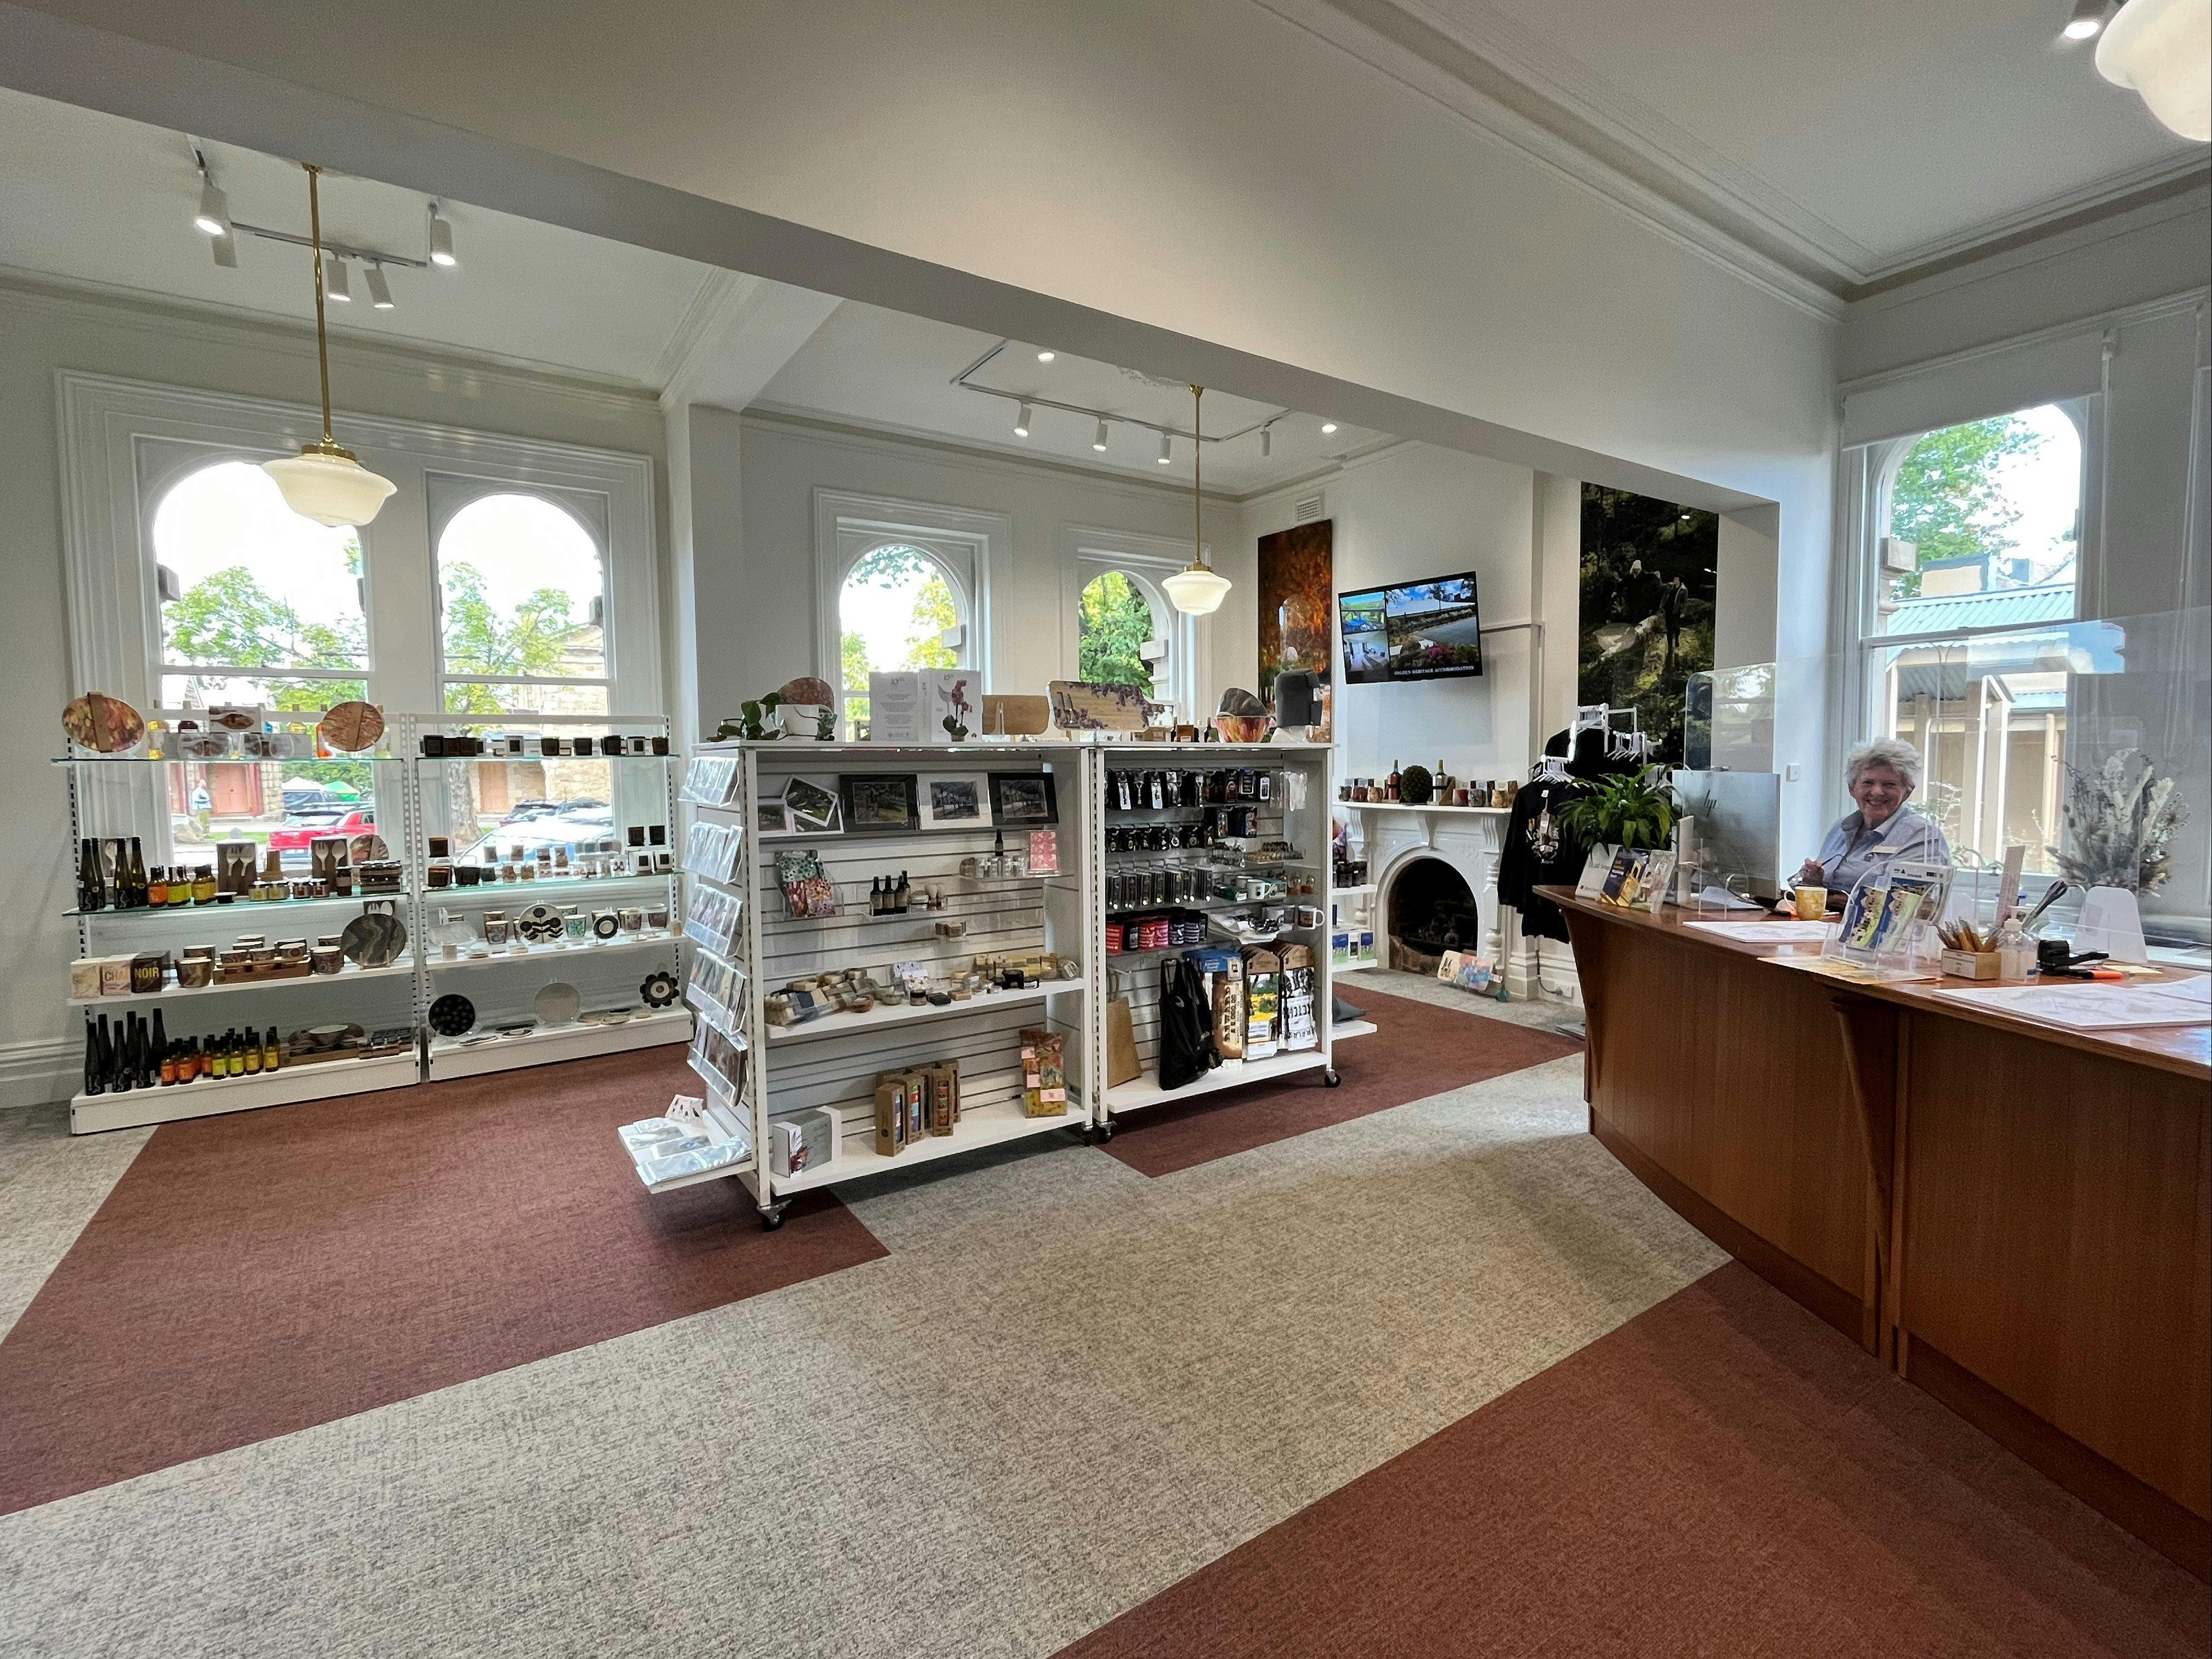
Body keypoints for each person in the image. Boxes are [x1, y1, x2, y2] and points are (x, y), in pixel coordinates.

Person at [1795, 738, 1951, 897]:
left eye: (1889, 784)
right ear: (1852, 789)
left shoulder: (1923, 837)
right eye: (1868, 783)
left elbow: (1906, 904)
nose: (1877, 792)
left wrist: (1833, 898)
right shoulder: (1840, 829)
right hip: (1827, 922)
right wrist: (1813, 882)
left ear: (1907, 792)